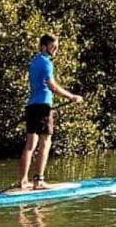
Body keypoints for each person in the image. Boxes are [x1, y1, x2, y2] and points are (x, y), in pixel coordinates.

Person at [15, 34, 83, 191]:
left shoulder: (34, 62)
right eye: (53, 47)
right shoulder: (46, 63)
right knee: (45, 143)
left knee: (30, 144)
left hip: (32, 106)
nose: (55, 50)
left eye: (57, 47)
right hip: (43, 106)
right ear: (44, 47)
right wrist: (71, 96)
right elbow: (52, 85)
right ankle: (38, 181)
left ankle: (23, 181)